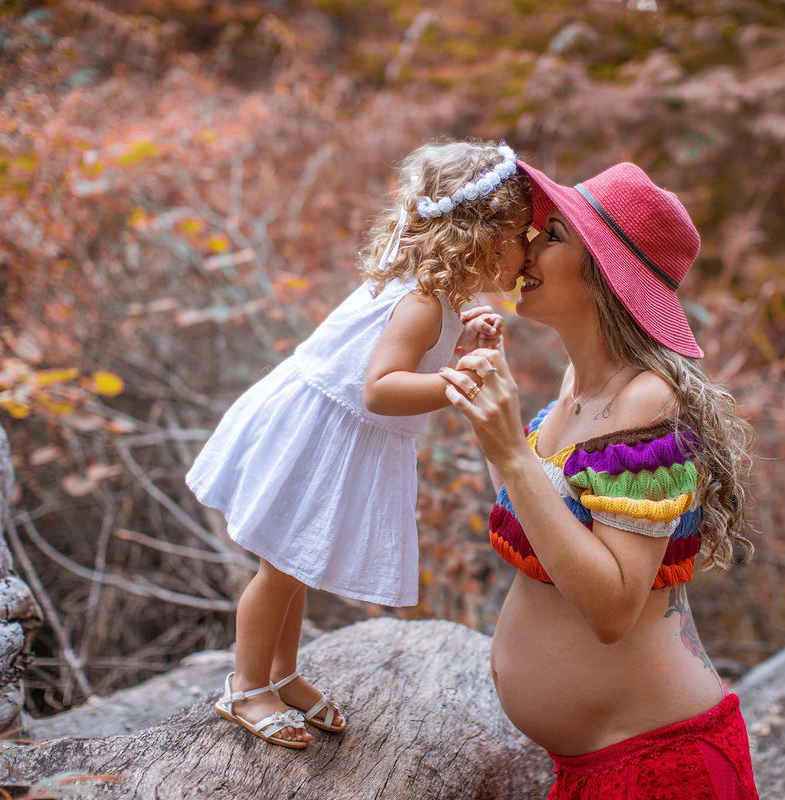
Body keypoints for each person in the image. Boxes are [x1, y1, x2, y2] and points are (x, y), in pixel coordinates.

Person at [186, 140, 532, 748]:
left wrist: (460, 343)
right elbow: (380, 388)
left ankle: (282, 673)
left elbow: (397, 362)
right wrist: (453, 383)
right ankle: (245, 686)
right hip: (321, 435)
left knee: (294, 566)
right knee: (278, 570)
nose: (527, 251)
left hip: (330, 431)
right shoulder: (422, 303)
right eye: (520, 235)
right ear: (482, 236)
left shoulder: (436, 293)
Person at [440, 160, 759, 797]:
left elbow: (613, 607)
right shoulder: (572, 390)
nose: (526, 246)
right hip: (593, 768)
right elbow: (546, 523)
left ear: (607, 276)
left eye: (551, 235)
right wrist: (490, 406)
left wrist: (509, 452)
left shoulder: (647, 401)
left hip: (657, 769)